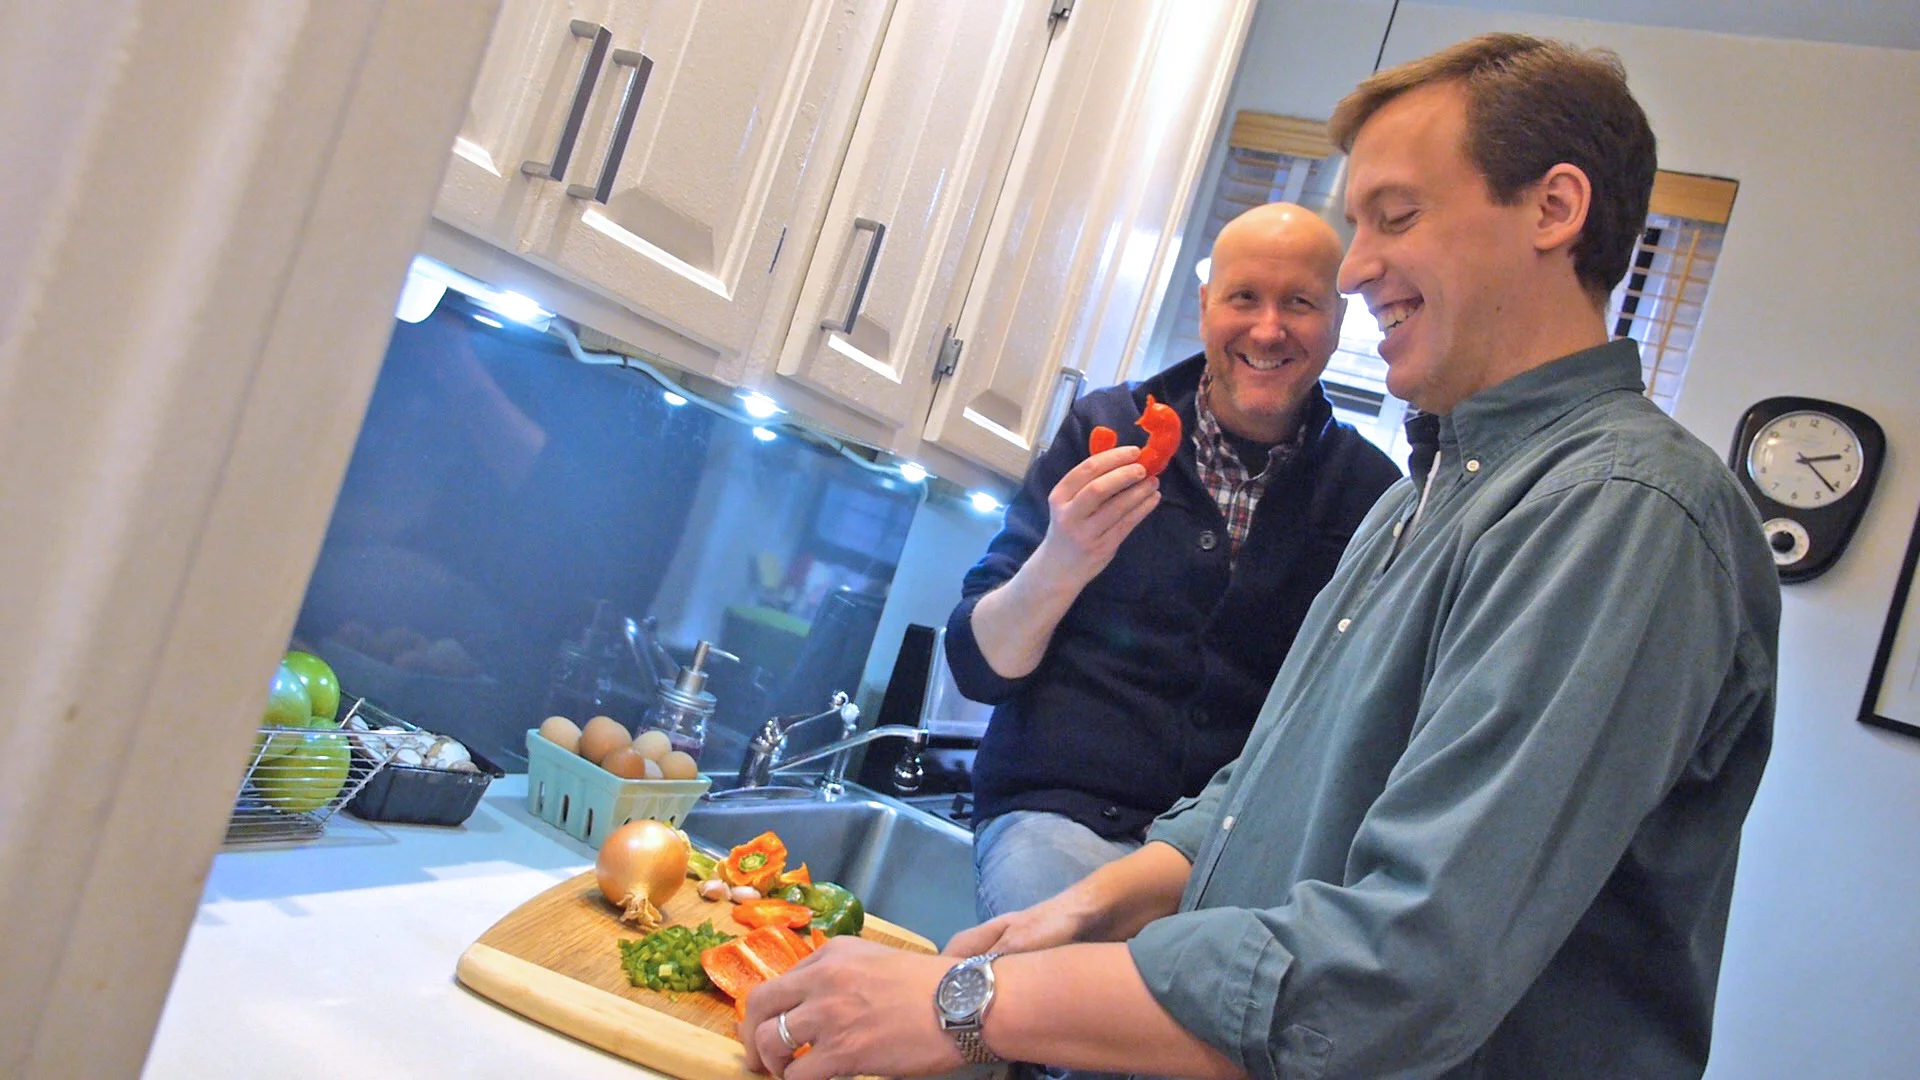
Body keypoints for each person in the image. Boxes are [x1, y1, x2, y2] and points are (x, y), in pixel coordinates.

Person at [733, 32, 1780, 1080]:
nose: (1357, 267)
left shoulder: (1620, 512)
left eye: (1395, 216)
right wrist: (1094, 900)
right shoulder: (1421, 504)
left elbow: (1396, 974)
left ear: (1555, 209)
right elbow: (1267, 786)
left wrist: (969, 1004)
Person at [945, 201, 1401, 926]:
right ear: (1204, 306)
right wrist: (1063, 557)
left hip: (1233, 865)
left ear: (1339, 322)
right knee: (1063, 992)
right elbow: (979, 666)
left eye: (1301, 304)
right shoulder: (1105, 431)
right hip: (1060, 823)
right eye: (1244, 297)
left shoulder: (1373, 495)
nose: (1268, 329)